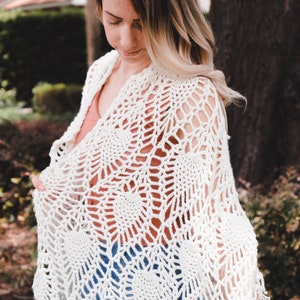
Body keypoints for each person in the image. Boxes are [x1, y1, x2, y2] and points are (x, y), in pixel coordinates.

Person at [31, 0, 269, 299]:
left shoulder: (189, 91)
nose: (126, 40)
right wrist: (59, 188)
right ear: (99, 11)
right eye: (114, 21)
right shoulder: (101, 71)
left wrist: (232, 289)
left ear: (168, 19)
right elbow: (96, 169)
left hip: (154, 270)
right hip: (89, 260)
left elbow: (211, 213)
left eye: (142, 24)